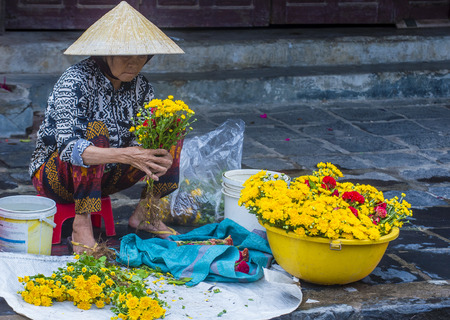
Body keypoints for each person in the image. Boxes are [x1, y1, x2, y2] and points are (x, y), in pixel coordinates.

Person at [28, 1, 185, 254]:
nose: (134, 63)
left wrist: (150, 151)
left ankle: (147, 212)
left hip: (107, 176)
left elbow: (141, 137)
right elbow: (69, 149)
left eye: (141, 56)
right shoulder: (75, 80)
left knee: (171, 123)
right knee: (95, 132)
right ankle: (82, 226)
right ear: (105, 53)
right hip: (56, 177)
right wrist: (127, 154)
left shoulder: (141, 86)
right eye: (126, 55)